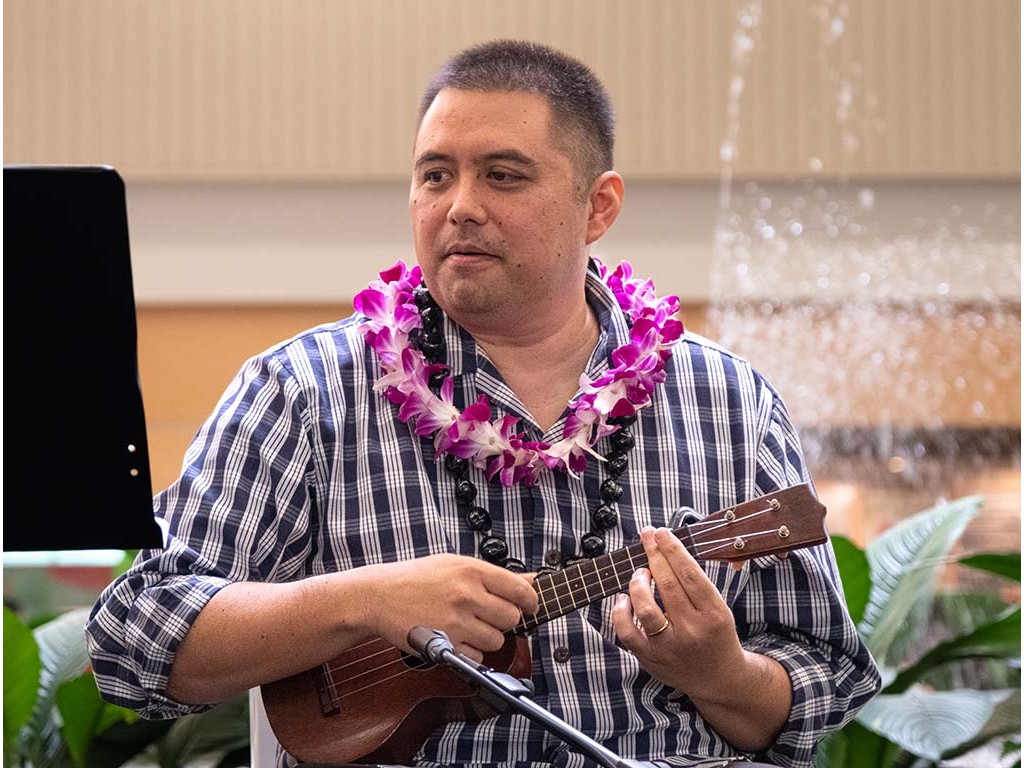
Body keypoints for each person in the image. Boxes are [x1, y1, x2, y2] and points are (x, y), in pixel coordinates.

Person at [87, 39, 880, 768]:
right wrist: (361, 601)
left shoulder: (730, 402)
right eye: (436, 175)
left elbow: (821, 683)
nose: (460, 205)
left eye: (503, 175)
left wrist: (723, 674)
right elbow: (135, 638)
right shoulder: (303, 392)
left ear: (598, 207)